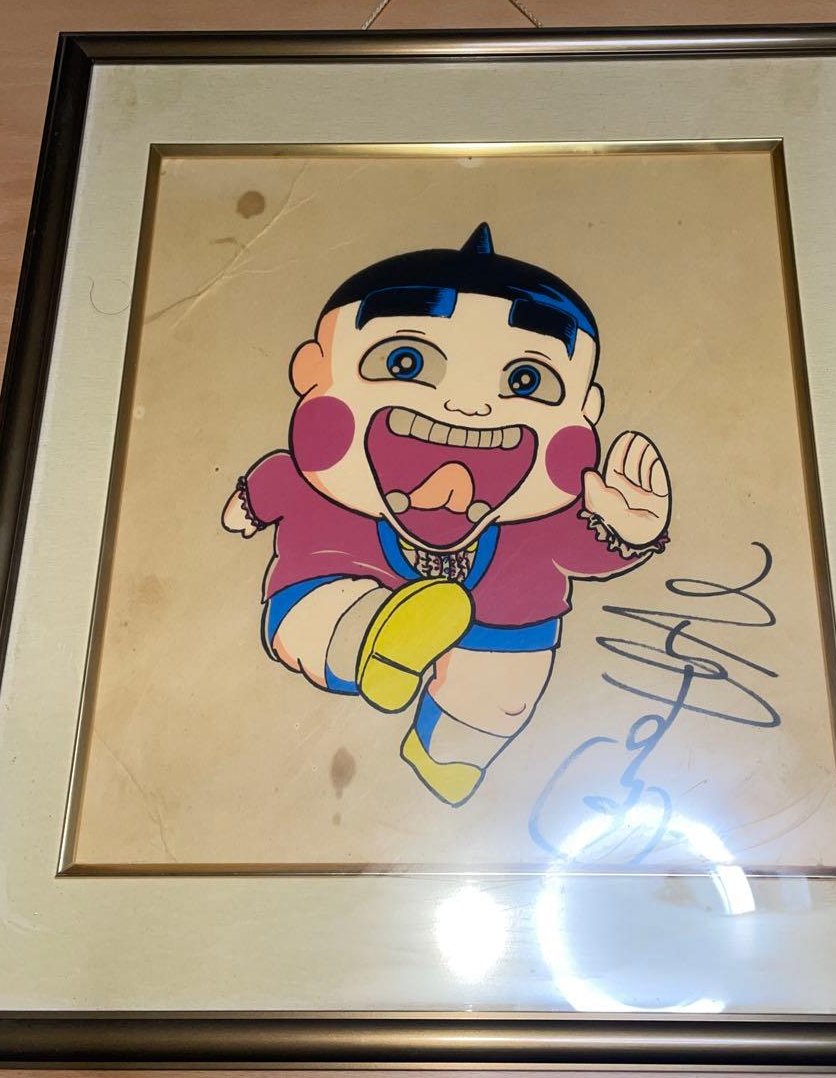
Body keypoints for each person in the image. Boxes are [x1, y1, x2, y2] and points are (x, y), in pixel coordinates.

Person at [223, 223, 671, 806]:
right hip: (339, 574)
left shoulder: (548, 523)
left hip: (508, 619)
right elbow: (272, 485)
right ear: (313, 373)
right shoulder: (315, 492)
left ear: (586, 412)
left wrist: (628, 531)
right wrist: (248, 507)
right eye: (406, 361)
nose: (467, 405)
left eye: (526, 380)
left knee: (499, 697)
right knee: (321, 618)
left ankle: (445, 756)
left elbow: (590, 552)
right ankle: (371, 639)